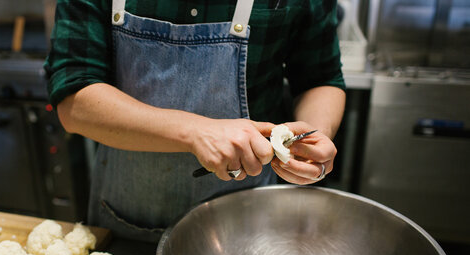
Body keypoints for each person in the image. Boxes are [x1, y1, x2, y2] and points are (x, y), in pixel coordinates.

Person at [45, 0, 346, 242]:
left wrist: (314, 139)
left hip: (247, 227)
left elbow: (319, 77)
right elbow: (74, 100)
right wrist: (195, 132)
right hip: (127, 223)